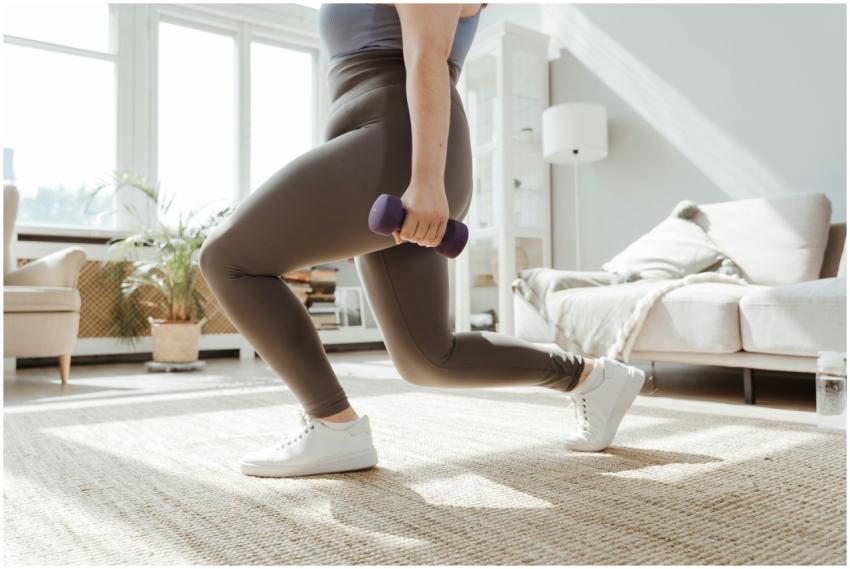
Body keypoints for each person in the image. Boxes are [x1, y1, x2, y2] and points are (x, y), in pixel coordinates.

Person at [199, 2, 645, 478]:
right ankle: (594, 379)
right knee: (428, 357)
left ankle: (333, 425)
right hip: (375, 142)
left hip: (404, 146)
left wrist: (426, 183)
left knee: (228, 258)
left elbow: (428, 58)